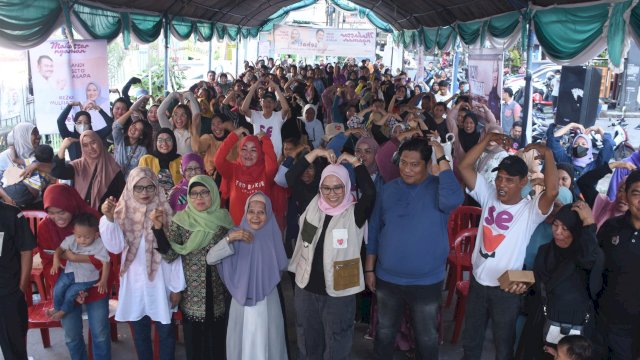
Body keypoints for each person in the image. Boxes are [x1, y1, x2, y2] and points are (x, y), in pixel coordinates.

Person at [457, 137, 558, 360]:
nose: (501, 184)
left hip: (506, 289)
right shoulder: (488, 196)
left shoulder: (529, 211)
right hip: (477, 282)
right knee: (470, 342)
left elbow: (551, 192)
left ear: (523, 182)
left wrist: (548, 154)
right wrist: (485, 140)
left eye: (509, 180)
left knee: (503, 347)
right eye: (499, 178)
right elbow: (464, 166)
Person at [367, 138, 464, 359]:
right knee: (384, 332)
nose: (406, 169)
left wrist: (441, 154)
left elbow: (455, 198)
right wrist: (369, 269)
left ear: (428, 164)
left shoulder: (440, 189)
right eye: (403, 163)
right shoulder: (388, 190)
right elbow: (374, 230)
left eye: (414, 164)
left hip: (426, 281)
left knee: (427, 337)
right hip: (388, 278)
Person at [289, 151, 376, 359]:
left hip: (340, 292)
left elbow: (370, 193)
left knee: (337, 342)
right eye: (326, 187)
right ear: (320, 187)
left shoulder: (354, 213)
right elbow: (292, 177)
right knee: (309, 342)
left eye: (338, 187)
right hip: (306, 287)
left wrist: (355, 162)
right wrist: (317, 152)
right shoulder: (312, 203)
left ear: (347, 187)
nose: (332, 193)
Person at [100, 167, 185, 360]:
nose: (144, 193)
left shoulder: (167, 214)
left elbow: (174, 253)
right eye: (138, 188)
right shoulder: (121, 212)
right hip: (135, 283)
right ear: (129, 188)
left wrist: (176, 288)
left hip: (162, 282)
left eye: (149, 187)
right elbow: (115, 247)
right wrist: (109, 219)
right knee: (140, 333)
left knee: (166, 332)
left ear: (157, 188)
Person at [153, 175, 235, 360]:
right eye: (194, 193)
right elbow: (171, 255)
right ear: (188, 196)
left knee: (218, 343)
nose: (199, 198)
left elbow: (233, 253)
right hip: (192, 295)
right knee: (195, 345)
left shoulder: (223, 219)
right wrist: (158, 230)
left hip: (219, 291)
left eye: (204, 192)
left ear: (213, 194)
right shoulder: (181, 221)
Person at [206, 192, 289, 359]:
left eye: (261, 212)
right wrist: (229, 239)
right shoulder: (236, 234)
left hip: (268, 299)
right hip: (241, 300)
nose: (255, 217)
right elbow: (210, 258)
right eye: (251, 211)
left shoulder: (273, 235)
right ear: (245, 212)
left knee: (269, 341)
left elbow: (282, 263)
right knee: (241, 344)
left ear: (269, 214)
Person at [516, 202, 602, 359]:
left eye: (565, 228)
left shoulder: (585, 257)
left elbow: (590, 258)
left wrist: (589, 224)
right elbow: (536, 286)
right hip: (542, 322)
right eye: (555, 225)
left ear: (577, 230)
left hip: (572, 328)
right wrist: (523, 286)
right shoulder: (545, 251)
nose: (557, 232)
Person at [37, 184, 112, 359]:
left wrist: (76, 259)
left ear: (71, 205)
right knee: (71, 336)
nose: (57, 217)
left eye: (61, 211)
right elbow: (47, 262)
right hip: (66, 284)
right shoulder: (45, 227)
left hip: (94, 284)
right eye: (51, 212)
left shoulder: (92, 220)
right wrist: (68, 285)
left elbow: (109, 256)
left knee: (100, 333)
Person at [596, 171, 640, 359]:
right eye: (636, 194)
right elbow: (595, 268)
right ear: (626, 195)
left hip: (633, 334)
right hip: (601, 322)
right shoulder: (611, 227)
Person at [47, 213, 110, 321]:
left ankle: (63, 311)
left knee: (71, 293)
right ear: (74, 233)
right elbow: (59, 250)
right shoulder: (71, 239)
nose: (82, 240)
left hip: (87, 278)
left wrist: (103, 280)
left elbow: (106, 262)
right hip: (69, 273)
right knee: (58, 288)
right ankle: (57, 307)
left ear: (96, 235)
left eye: (87, 237)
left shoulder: (100, 245)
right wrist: (56, 260)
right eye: (79, 236)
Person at [46, 131, 126, 210]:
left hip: (103, 218)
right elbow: (57, 172)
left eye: (93, 143)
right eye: (85, 145)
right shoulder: (78, 166)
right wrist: (63, 147)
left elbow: (121, 197)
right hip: (80, 216)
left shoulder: (114, 168)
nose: (90, 148)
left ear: (99, 142)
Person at [214, 128, 278, 224]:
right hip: (238, 232)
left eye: (253, 150)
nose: (248, 154)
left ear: (260, 153)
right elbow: (218, 160)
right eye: (244, 149)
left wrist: (266, 139)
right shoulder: (233, 170)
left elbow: (273, 165)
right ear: (239, 151)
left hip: (262, 231)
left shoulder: (266, 172)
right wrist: (234, 135)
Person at [0, 201, 35, 360]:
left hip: (8, 292)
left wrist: (21, 287)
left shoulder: (12, 214)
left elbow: (26, 250)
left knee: (14, 349)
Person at [576, 161, 636, 229]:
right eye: (621, 190)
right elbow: (584, 182)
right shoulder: (601, 204)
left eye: (630, 193)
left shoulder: (635, 226)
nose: (623, 197)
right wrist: (615, 164)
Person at [240, 79, 290, 157]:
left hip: (275, 156)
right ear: (261, 102)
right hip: (258, 156)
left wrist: (276, 87)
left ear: (275, 104)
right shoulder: (255, 115)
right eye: (265, 101)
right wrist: (254, 87)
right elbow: (244, 109)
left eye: (270, 101)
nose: (267, 103)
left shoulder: (278, 116)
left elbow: (286, 109)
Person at [547, 123, 614, 180]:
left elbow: (609, 145)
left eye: (583, 144)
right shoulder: (565, 161)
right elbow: (552, 141)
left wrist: (599, 129)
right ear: (572, 147)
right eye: (576, 144)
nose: (579, 146)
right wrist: (571, 125)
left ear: (589, 148)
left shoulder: (596, 166)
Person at [112, 96, 152, 179]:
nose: (133, 129)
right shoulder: (120, 141)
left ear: (141, 135)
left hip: (131, 186)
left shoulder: (143, 151)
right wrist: (131, 111)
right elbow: (116, 126)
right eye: (133, 125)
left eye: (138, 129)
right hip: (115, 182)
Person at [139, 128, 183, 196]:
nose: (164, 143)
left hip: (176, 200)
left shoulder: (180, 160)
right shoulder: (146, 159)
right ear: (155, 143)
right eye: (160, 140)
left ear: (174, 142)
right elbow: (140, 182)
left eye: (168, 140)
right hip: (152, 200)